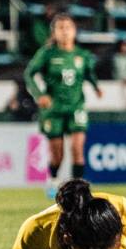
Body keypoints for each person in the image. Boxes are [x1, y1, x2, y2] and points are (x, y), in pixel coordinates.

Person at [24, 14, 103, 198]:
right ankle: (53, 179)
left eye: (68, 27)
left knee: (77, 148)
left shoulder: (82, 55)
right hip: (53, 109)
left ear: (74, 31)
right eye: (60, 28)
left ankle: (79, 191)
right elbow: (29, 74)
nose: (65, 31)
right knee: (57, 154)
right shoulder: (47, 53)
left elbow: (89, 74)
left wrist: (96, 87)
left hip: (76, 106)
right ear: (54, 32)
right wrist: (39, 94)